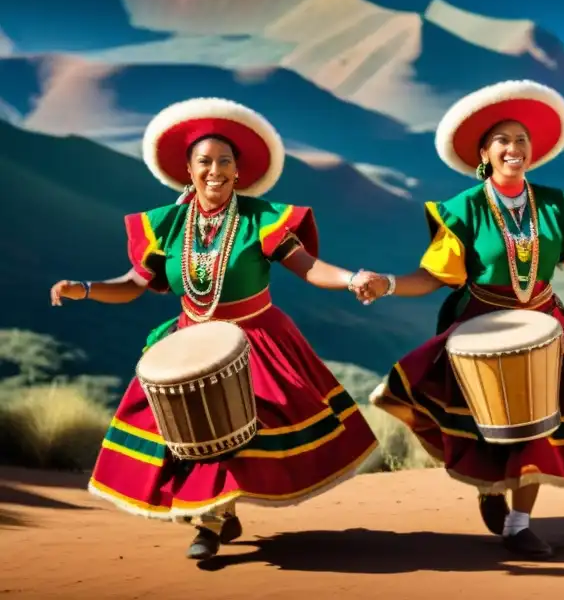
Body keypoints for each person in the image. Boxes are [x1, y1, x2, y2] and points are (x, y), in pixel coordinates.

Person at [350, 79, 564, 558]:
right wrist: (389, 283)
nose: (514, 148)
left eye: (522, 139)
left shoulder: (556, 206)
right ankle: (489, 488)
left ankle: (519, 524)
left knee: (538, 428)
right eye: (502, 140)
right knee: (490, 428)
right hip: (481, 325)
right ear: (484, 152)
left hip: (548, 326)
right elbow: (434, 275)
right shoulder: (461, 212)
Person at [49, 97, 379, 560]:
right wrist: (84, 288)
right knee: (187, 430)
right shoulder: (167, 225)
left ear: (239, 172)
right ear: (188, 169)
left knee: (239, 429)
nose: (216, 170)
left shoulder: (260, 219)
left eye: (226, 161)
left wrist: (351, 279)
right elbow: (132, 285)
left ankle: (208, 522)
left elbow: (307, 267)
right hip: (189, 339)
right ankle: (217, 512)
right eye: (205, 161)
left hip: (257, 337)